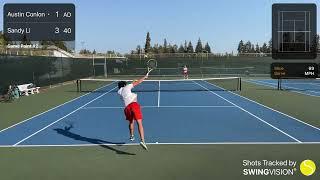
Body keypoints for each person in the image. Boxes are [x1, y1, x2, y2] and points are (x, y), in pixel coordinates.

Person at [117, 74, 148, 150]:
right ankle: (143, 141)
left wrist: (132, 82)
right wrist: (145, 77)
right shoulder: (127, 87)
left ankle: (131, 136)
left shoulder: (119, 92)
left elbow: (128, 86)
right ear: (124, 85)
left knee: (131, 122)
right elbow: (138, 82)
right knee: (139, 123)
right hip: (134, 105)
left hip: (127, 108)